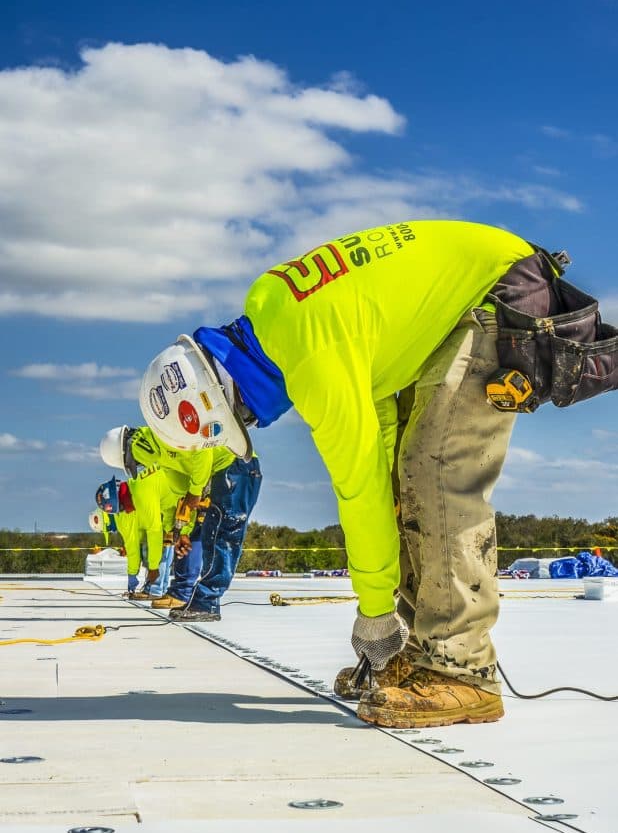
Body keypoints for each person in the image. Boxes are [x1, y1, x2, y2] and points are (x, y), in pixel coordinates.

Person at [137, 219, 617, 728]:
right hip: (467, 296)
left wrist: (373, 612)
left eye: (244, 418)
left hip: (496, 292)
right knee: (404, 480)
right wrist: (384, 607)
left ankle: (462, 669)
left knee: (437, 474)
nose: (256, 421)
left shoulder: (310, 361)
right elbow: (379, 411)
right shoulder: (273, 311)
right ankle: (422, 649)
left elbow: (358, 491)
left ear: (228, 398)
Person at [99, 425, 262, 619]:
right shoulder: (162, 457)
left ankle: (206, 602)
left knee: (223, 537)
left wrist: (195, 492)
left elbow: (202, 451)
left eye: (136, 461)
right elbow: (179, 493)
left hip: (236, 465)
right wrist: (181, 531)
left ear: (135, 447)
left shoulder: (168, 432)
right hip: (224, 472)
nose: (141, 465)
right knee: (211, 536)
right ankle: (204, 601)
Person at [95, 467, 178, 597]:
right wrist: (132, 573)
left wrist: (151, 568)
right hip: (169, 513)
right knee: (156, 551)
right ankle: (157, 589)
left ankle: (155, 590)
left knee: (154, 552)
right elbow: (133, 545)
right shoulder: (133, 489)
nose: (121, 510)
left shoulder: (141, 496)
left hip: (179, 503)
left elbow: (152, 533)